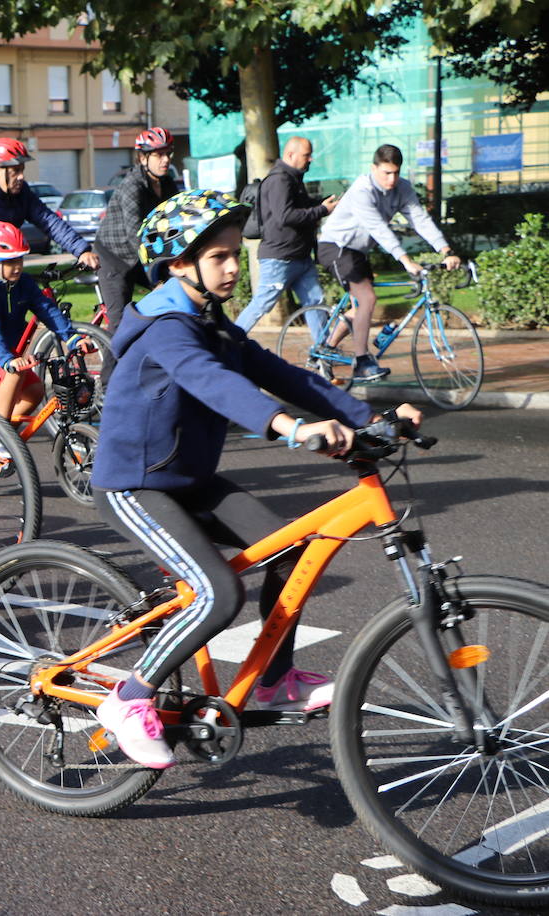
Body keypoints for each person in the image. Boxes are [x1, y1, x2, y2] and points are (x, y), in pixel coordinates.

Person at [88, 189, 422, 769]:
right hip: (133, 485)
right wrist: (291, 428)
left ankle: (272, 678)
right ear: (179, 264)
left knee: (293, 551)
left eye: (232, 254)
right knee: (219, 594)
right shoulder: (166, 328)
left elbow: (281, 373)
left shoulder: (211, 322)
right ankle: (129, 697)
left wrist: (371, 417)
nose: (232, 266)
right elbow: (218, 385)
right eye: (217, 256)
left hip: (189, 479)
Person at [315, 144, 461, 380]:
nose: (392, 179)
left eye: (396, 172)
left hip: (358, 251)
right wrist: (405, 260)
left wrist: (445, 249)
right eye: (386, 173)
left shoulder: (402, 188)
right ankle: (362, 362)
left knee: (359, 308)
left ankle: (327, 349)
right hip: (336, 247)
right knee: (367, 299)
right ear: (374, 168)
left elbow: (419, 219)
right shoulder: (363, 190)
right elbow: (378, 228)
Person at [0, 221, 87, 459]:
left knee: (34, 390)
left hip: (0, 350)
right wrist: (7, 360)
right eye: (9, 262)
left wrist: (71, 337)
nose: (17, 266)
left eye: (19, 259)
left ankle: (2, 433)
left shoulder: (23, 283)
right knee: (13, 372)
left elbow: (47, 309)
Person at [0, 137, 97, 285]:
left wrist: (81, 250)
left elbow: (48, 220)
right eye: (15, 171)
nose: (21, 177)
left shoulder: (21, 193)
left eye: (22, 170)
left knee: (26, 295)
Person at [234, 137, 338, 333]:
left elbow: (301, 208)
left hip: (300, 257)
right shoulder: (279, 180)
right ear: (291, 155)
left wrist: (322, 203)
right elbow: (286, 216)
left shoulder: (293, 178)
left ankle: (322, 354)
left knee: (315, 303)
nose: (310, 160)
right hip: (279, 258)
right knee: (262, 304)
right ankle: (228, 342)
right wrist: (322, 210)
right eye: (307, 155)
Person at [93, 127, 180, 332]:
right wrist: (154, 276)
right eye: (159, 154)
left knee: (180, 293)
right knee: (120, 327)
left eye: (168, 153)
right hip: (114, 258)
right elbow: (136, 234)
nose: (165, 159)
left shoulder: (167, 184)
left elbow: (175, 221)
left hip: (139, 256)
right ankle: (114, 363)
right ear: (142, 158)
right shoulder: (133, 185)